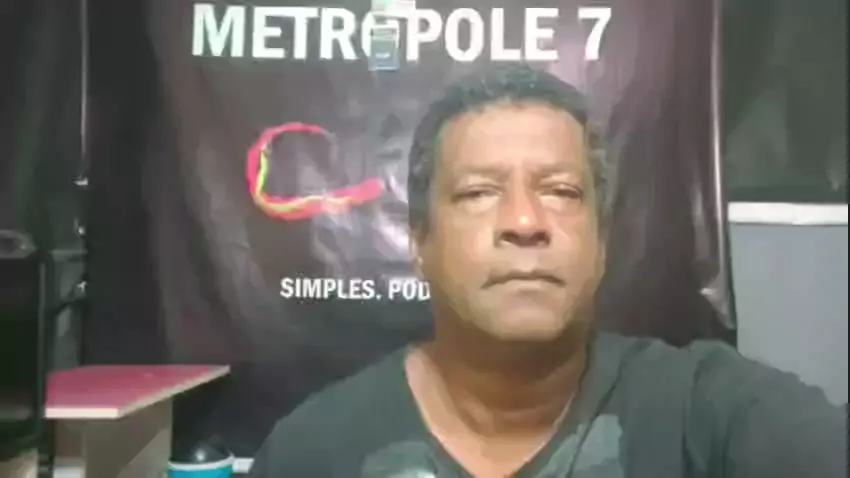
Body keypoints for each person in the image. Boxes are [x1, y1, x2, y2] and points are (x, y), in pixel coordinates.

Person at [248, 64, 846, 478]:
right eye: (479, 192)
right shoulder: (316, 451)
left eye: (561, 191)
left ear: (601, 243)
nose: (525, 221)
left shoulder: (706, 413)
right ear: (419, 243)